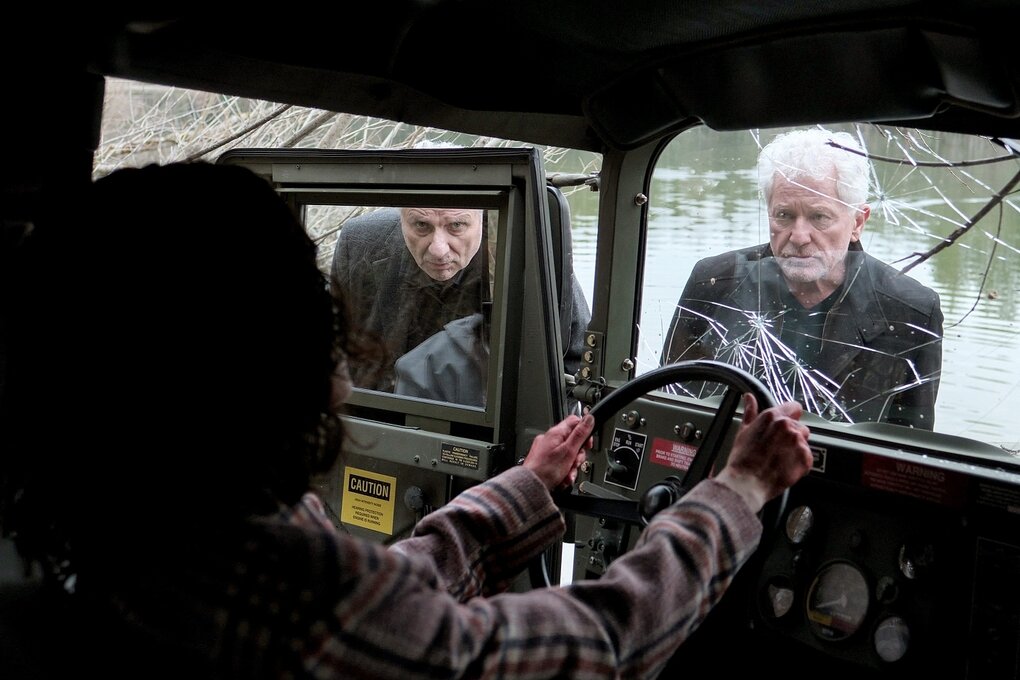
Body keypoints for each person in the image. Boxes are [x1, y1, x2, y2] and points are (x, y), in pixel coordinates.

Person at [3, 162, 813, 679]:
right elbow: (602, 644)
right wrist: (738, 489)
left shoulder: (130, 535)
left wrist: (527, 488)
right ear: (254, 370)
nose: (342, 383)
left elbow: (402, 598)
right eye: (315, 329)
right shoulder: (304, 595)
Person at [662, 128, 943, 429]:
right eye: (783, 215)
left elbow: (909, 452)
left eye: (819, 217)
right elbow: (669, 408)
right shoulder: (714, 282)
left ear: (857, 223)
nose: (798, 236)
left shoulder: (910, 311)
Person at [332, 205, 591, 394]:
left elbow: (576, 359)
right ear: (402, 215)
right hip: (380, 426)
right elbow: (336, 346)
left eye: (456, 226)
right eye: (421, 225)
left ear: (483, 216)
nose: (438, 249)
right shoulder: (361, 242)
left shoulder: (527, 252)